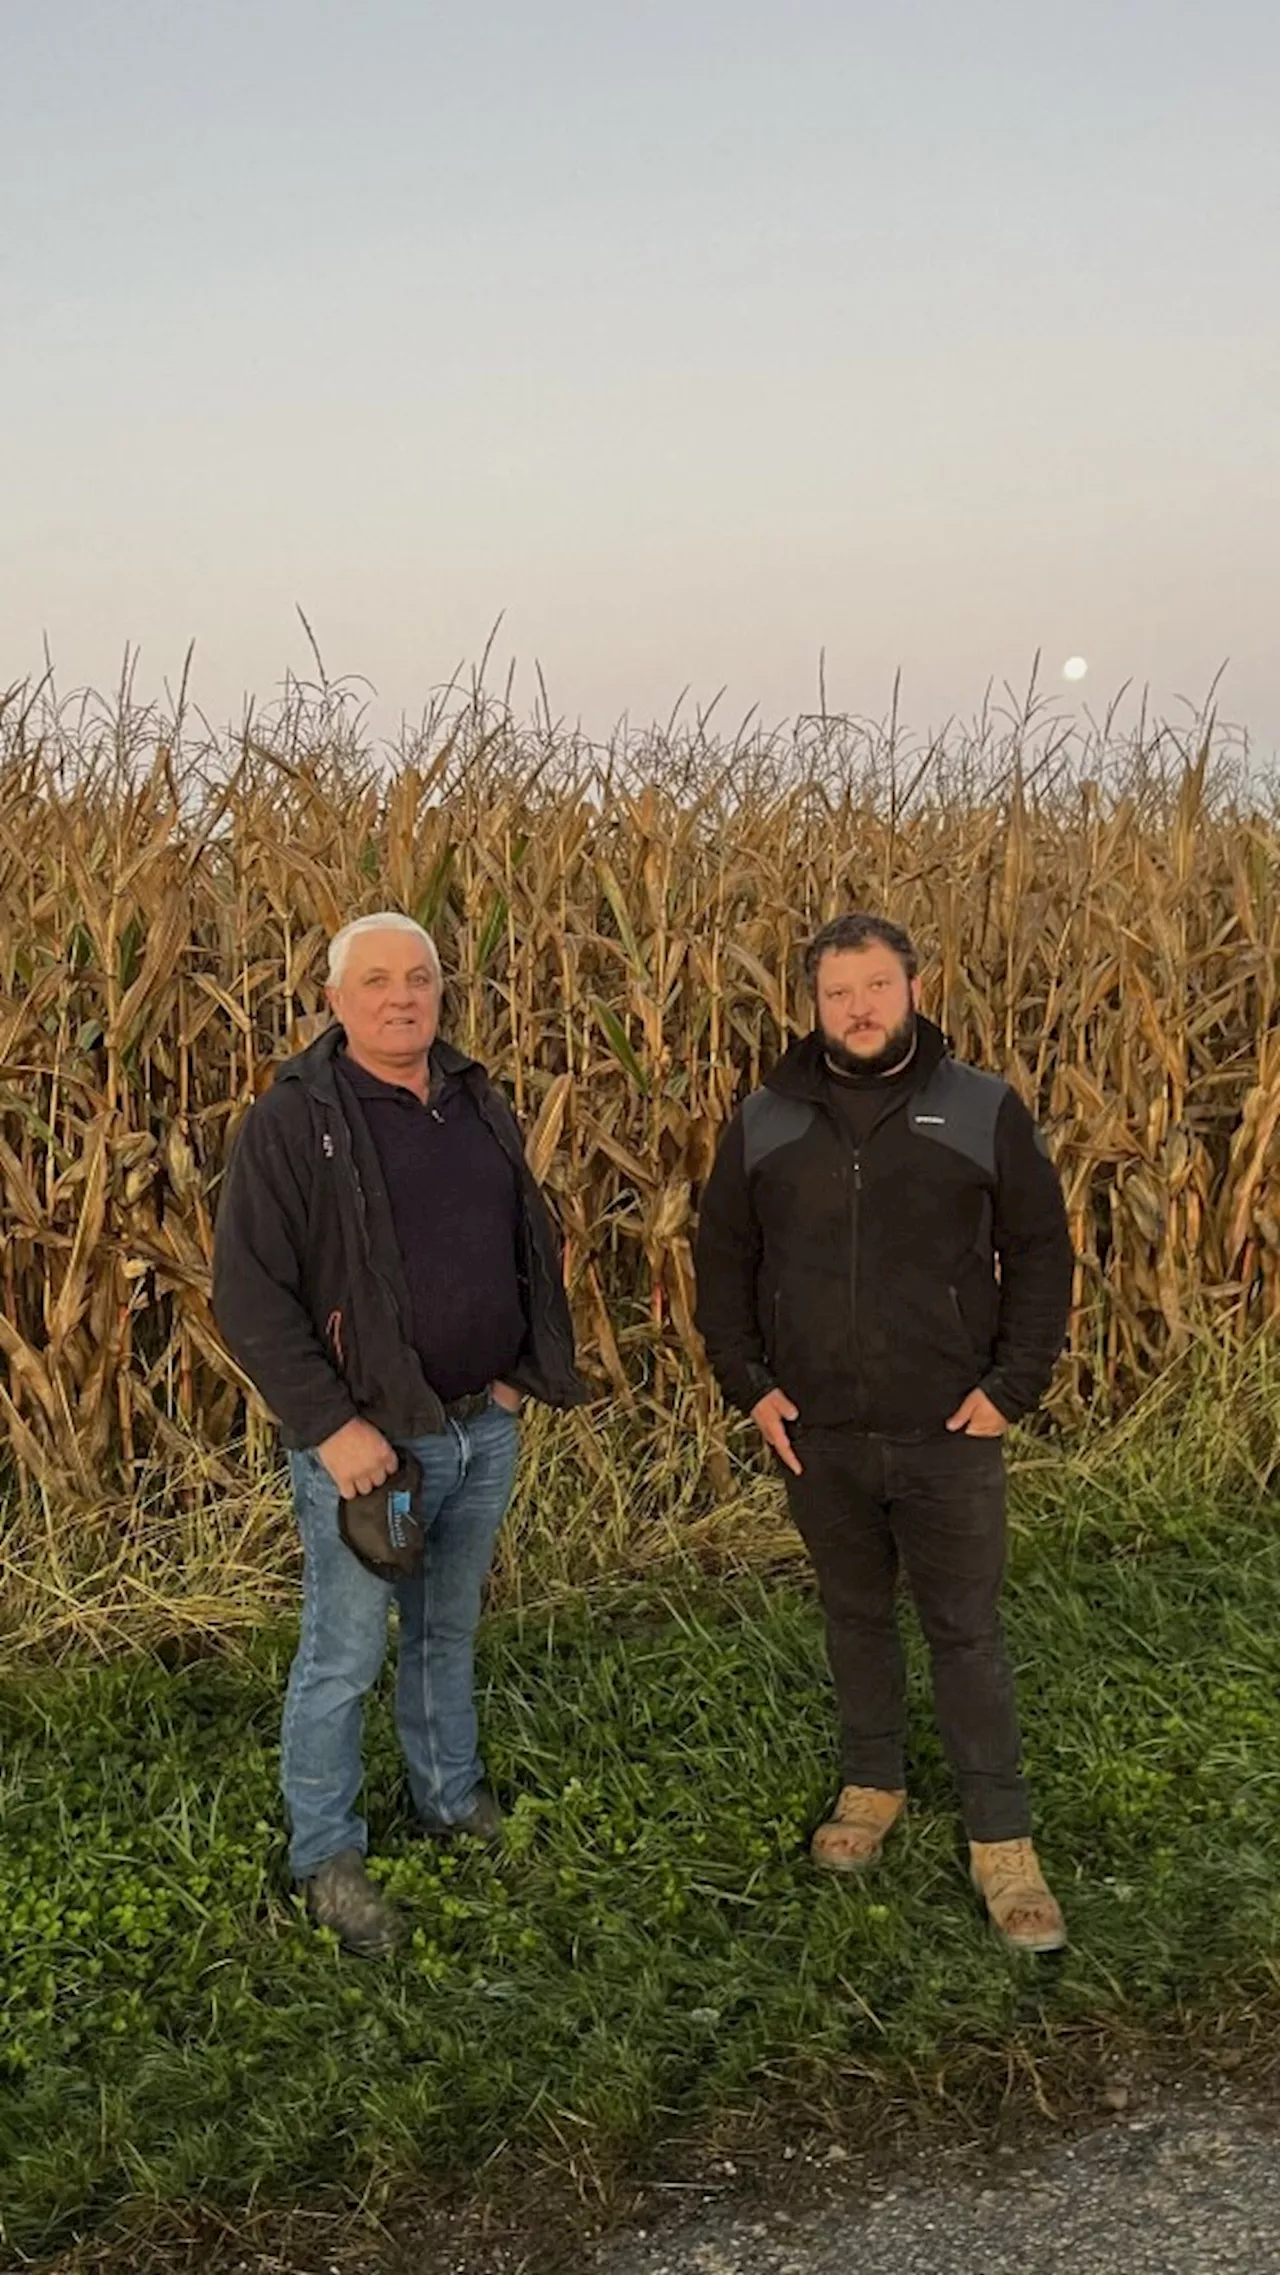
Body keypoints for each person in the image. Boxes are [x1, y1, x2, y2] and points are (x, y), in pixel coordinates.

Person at [693, 912, 1074, 1953]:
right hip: (817, 1432)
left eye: (874, 987)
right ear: (810, 1004)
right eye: (835, 993)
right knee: (853, 1615)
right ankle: (872, 1784)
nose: (856, 1009)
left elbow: (1039, 1252)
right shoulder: (765, 1118)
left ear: (913, 985)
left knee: (964, 1630)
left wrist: (1012, 1385)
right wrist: (751, 1387)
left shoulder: (980, 1107)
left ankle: (1001, 1839)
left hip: (949, 1426)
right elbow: (720, 1260)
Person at [213, 912, 583, 1957]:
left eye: (417, 978)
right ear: (334, 999)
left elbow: (525, 1239)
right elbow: (247, 1295)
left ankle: (449, 1797)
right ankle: (324, 1853)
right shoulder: (295, 1122)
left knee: (444, 1631)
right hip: (369, 1447)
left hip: (480, 1426)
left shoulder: (471, 1097)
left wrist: (517, 1378)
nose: (400, 997)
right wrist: (332, 1430)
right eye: (374, 980)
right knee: (341, 1655)